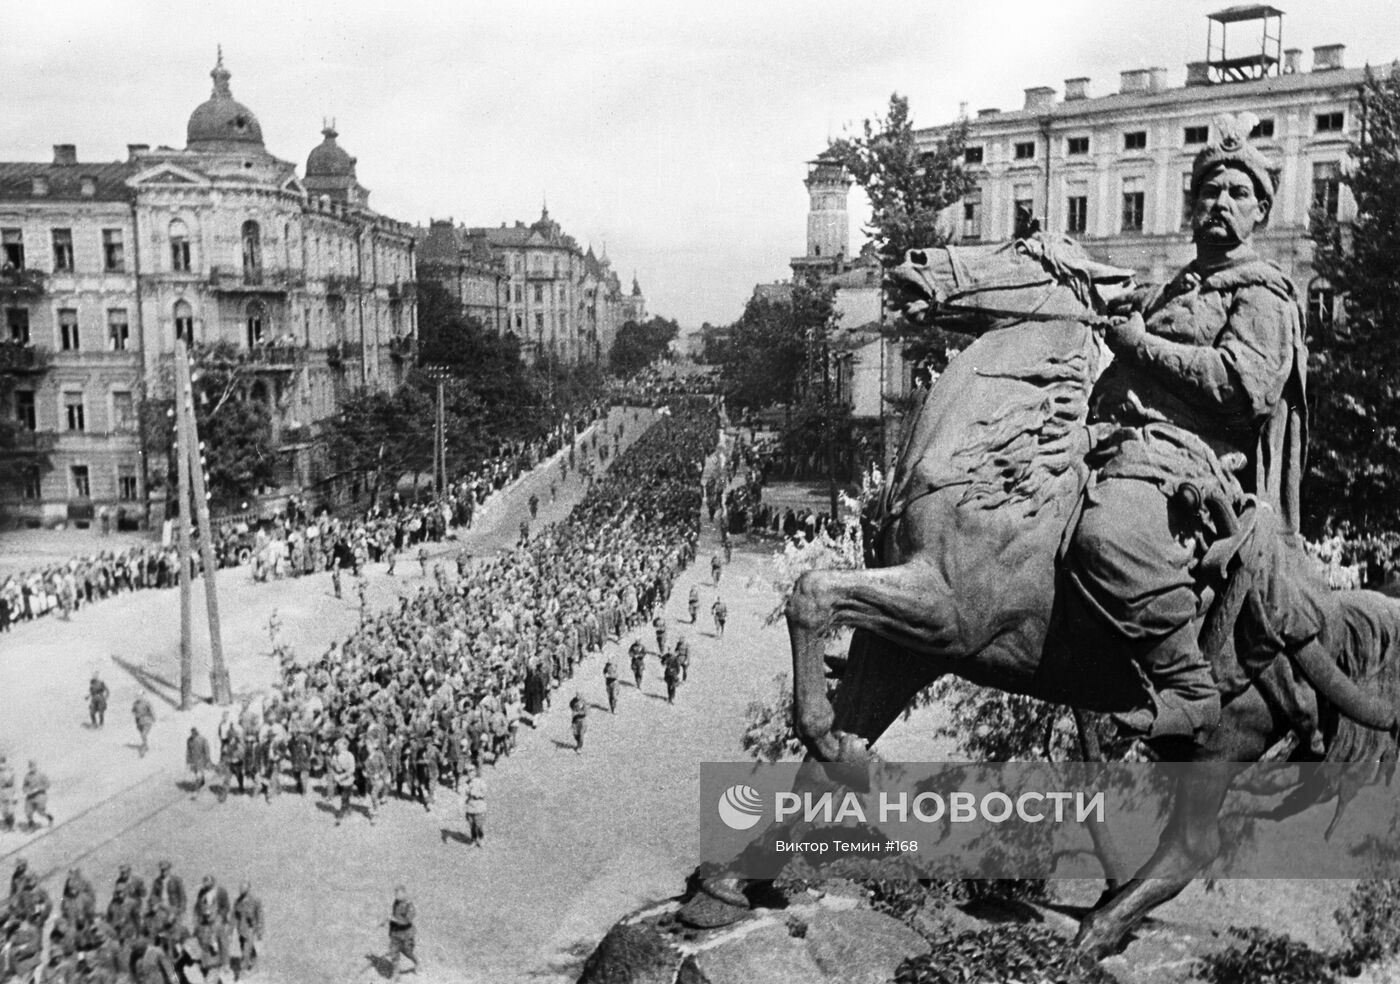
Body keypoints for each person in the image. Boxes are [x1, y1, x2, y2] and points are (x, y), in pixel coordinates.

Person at [1066, 112, 1307, 741]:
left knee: (1105, 538)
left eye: (1238, 193)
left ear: (1260, 211)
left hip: (1191, 463)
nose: (1220, 203)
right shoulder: (1177, 285)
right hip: (1118, 440)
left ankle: (1190, 688)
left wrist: (1141, 347)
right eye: (1209, 191)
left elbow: (1243, 388)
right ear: (1191, 204)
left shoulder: (1264, 293)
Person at [385, 886, 420, 979]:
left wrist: (394, 919)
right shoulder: (396, 902)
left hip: (406, 934)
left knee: (407, 951)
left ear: (404, 894)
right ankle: (396, 975)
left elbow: (407, 921)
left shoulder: (409, 905)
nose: (396, 897)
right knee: (394, 953)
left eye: (398, 894)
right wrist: (389, 923)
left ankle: (417, 962)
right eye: (395, 894)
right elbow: (394, 914)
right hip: (395, 933)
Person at [233, 881, 264, 978]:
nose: (241, 890)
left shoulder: (255, 900)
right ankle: (254, 963)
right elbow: (234, 916)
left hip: (251, 929)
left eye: (243, 888)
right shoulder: (237, 901)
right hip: (241, 929)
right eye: (240, 888)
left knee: (246, 950)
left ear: (248, 889)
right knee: (244, 947)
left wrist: (259, 930)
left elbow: (260, 916)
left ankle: (243, 971)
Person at [330, 737, 357, 826]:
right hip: (339, 781)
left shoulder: (350, 756)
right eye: (337, 746)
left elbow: (352, 770)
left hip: (348, 781)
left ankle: (340, 817)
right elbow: (332, 767)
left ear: (345, 747)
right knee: (344, 797)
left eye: (339, 746)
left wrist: (341, 777)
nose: (337, 747)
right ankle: (348, 810)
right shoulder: (335, 756)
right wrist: (335, 776)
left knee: (344, 798)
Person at [22, 759, 53, 830]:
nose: (31, 768)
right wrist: (26, 790)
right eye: (30, 766)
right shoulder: (27, 776)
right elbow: (24, 786)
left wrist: (38, 789)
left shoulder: (41, 774)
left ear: (36, 766)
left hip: (40, 795)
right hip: (30, 796)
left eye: (33, 766)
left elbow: (48, 784)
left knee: (41, 812)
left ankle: (50, 818)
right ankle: (31, 827)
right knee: (28, 811)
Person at [462, 772, 485, 847]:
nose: (469, 775)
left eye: (471, 773)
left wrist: (476, 794)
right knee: (472, 825)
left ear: (475, 774)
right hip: (470, 806)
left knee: (479, 825)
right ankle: (474, 839)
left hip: (478, 806)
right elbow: (464, 793)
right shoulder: (467, 783)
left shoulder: (480, 782)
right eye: (468, 773)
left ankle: (481, 838)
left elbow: (484, 792)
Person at [186, 727, 212, 793]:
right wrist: (188, 760)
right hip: (193, 759)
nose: (193, 734)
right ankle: (202, 781)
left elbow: (206, 749)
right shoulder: (189, 740)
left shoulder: (202, 739)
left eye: (194, 732)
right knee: (196, 772)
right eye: (192, 733)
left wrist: (208, 759)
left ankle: (197, 789)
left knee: (198, 773)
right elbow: (188, 750)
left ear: (197, 732)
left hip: (201, 759)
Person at [132, 692, 155, 757]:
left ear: (143, 696)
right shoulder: (135, 704)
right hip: (139, 721)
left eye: (140, 696)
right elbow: (133, 711)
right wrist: (136, 715)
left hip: (147, 720)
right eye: (137, 696)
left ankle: (143, 749)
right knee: (142, 734)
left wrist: (153, 718)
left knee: (143, 734)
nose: (139, 697)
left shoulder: (147, 703)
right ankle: (145, 745)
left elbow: (152, 711)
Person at [0, 754, 16, 832]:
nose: (1, 765)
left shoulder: (10, 771)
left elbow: (13, 783)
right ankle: (7, 825)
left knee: (10, 810)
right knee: (4, 811)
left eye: (2, 762)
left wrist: (15, 794)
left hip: (9, 791)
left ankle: (11, 826)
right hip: (2, 792)